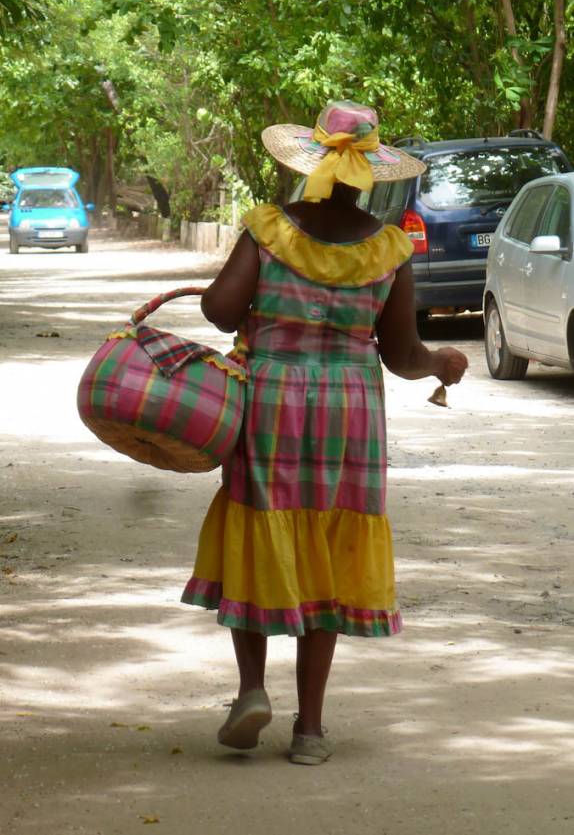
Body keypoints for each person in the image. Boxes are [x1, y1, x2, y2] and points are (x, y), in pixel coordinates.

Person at [181, 100, 468, 765]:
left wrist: (239, 298)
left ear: (307, 161)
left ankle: (252, 687)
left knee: (259, 526)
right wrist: (441, 363)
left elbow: (222, 312)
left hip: (274, 399)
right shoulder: (388, 246)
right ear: (370, 170)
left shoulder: (269, 229)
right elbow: (400, 354)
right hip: (350, 410)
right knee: (330, 544)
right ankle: (310, 727)